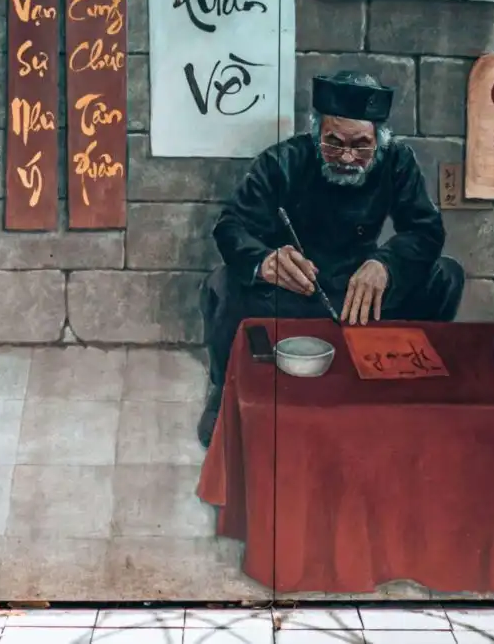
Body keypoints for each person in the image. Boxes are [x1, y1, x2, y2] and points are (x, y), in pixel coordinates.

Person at [196, 70, 465, 446]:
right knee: (222, 284)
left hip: (362, 295)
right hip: (295, 292)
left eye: (361, 145)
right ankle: (225, 394)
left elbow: (426, 230)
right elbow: (231, 226)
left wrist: (385, 264)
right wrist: (266, 260)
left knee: (446, 276)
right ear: (316, 132)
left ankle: (414, 389)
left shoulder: (397, 161)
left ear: (380, 140)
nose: (348, 157)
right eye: (333, 143)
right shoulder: (282, 161)